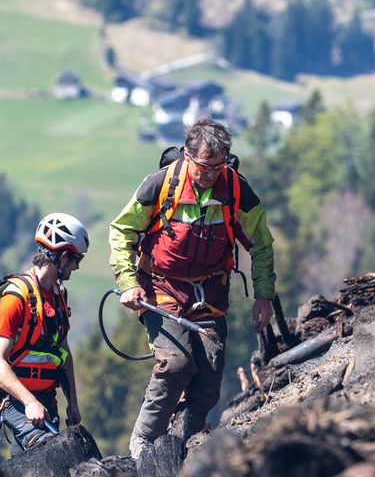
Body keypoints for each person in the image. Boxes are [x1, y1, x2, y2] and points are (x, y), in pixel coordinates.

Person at [108, 118, 276, 459]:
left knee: (209, 380)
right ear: (187, 155)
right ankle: (143, 443)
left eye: (218, 167)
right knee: (176, 364)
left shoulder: (237, 191)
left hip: (211, 294)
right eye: (203, 167)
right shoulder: (161, 185)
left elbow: (260, 244)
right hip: (161, 289)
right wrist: (127, 282)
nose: (210, 175)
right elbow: (121, 231)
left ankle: (180, 446)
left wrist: (263, 296)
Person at [0, 212, 88, 455]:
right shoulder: (15, 298)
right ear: (63, 256)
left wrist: (72, 401)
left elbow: (63, 352)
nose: (78, 266)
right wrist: (29, 402)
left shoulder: (59, 297)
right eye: (76, 260)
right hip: (14, 399)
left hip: (46, 400)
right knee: (45, 451)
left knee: (44, 470)